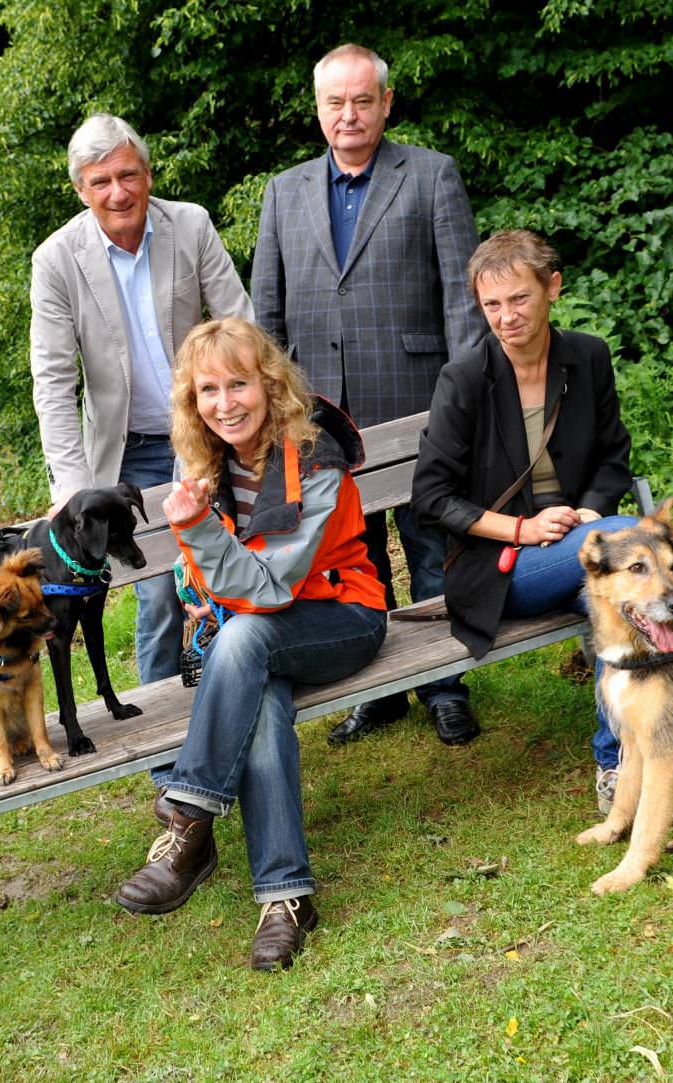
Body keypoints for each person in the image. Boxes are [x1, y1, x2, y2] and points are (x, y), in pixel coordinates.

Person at [115, 317, 387, 970]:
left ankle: (189, 820)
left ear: (269, 384)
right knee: (258, 689)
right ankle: (286, 897)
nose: (225, 402)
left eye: (239, 383)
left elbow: (267, 588)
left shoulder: (315, 453)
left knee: (246, 638)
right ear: (191, 401)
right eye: (208, 389)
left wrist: (197, 530)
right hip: (252, 641)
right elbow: (213, 584)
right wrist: (197, 541)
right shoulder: (203, 459)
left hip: (342, 616)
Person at [251, 43, 484, 747]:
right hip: (320, 414)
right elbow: (268, 313)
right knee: (354, 556)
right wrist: (279, 412)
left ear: (385, 103)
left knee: (430, 545)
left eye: (362, 100)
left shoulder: (432, 176)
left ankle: (445, 683)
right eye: (335, 102)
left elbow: (461, 300)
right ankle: (380, 689)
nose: (348, 114)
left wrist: (466, 399)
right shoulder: (283, 191)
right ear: (318, 109)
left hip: (416, 398)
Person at [411, 230, 637, 811]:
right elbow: (431, 497)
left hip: (586, 547)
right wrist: (523, 529)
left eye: (519, 299)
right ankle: (629, 764)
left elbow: (613, 456)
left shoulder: (587, 357)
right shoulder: (464, 379)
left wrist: (589, 509)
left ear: (552, 288)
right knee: (628, 559)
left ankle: (620, 765)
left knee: (617, 600)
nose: (506, 317)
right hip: (500, 568)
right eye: (492, 305)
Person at [30, 113, 253, 684]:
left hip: (202, 432)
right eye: (100, 182)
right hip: (122, 457)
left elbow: (240, 325)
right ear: (81, 190)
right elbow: (54, 381)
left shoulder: (191, 226)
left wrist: (249, 424)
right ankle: (162, 749)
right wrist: (71, 489)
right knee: (156, 598)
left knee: (220, 573)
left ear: (148, 174)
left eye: (128, 175)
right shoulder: (56, 261)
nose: (118, 192)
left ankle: (234, 704)